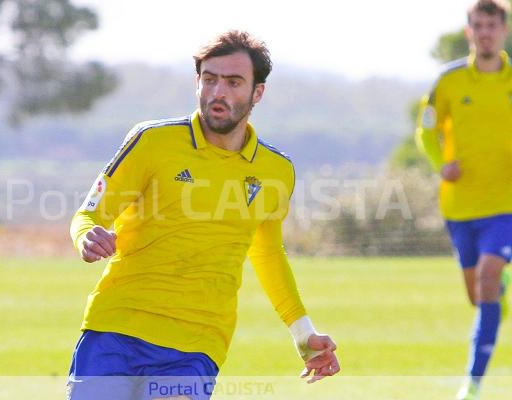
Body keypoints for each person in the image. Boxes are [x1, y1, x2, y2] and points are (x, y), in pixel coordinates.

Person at [67, 30, 340, 400]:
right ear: (197, 82)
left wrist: (303, 332)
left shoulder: (276, 171)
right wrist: (86, 236)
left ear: (257, 92)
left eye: (233, 82)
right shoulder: (152, 142)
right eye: (209, 80)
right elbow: (88, 215)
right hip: (115, 329)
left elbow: (268, 253)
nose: (218, 93)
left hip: (197, 344)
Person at [416, 1, 512, 399]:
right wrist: (442, 164)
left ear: (504, 31)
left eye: (493, 25)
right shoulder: (449, 80)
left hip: (505, 207)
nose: (486, 32)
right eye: (479, 26)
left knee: (487, 278)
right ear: (469, 31)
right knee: (479, 295)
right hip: (459, 207)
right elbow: (424, 130)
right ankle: (498, 290)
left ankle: (472, 383)